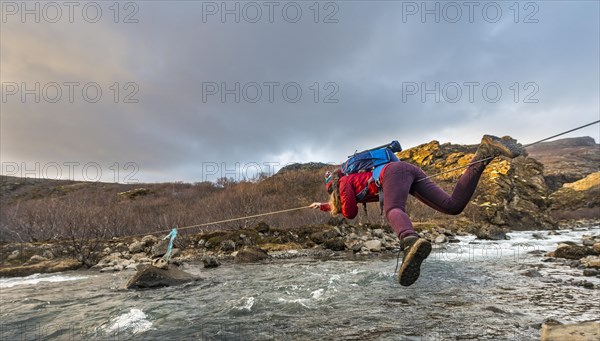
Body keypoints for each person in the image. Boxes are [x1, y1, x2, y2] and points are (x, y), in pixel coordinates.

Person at [310, 135, 524, 286]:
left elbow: (349, 212)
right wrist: (323, 207)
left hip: (392, 173)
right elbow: (346, 205)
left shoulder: (344, 182)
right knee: (453, 205)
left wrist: (335, 207)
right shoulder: (354, 180)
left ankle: (410, 241)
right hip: (407, 171)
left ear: (332, 186)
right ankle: (484, 152)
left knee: (393, 208)